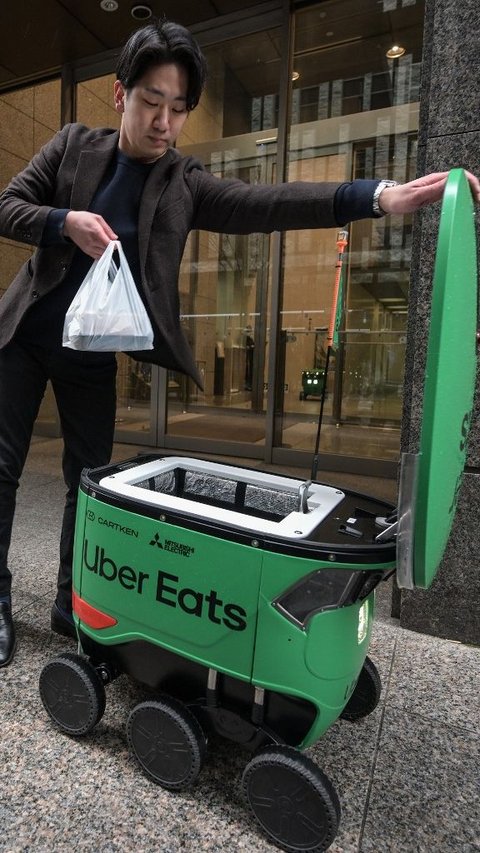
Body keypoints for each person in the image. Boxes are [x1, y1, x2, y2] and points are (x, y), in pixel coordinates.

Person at [0, 19, 478, 668]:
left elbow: (265, 202)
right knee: (2, 469)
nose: (164, 120)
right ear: (120, 96)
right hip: (24, 336)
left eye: (178, 108)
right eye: (151, 102)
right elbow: (8, 206)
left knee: (87, 483)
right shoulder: (73, 146)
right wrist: (65, 222)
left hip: (91, 355)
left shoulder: (181, 182)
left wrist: (378, 198)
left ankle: (73, 603)